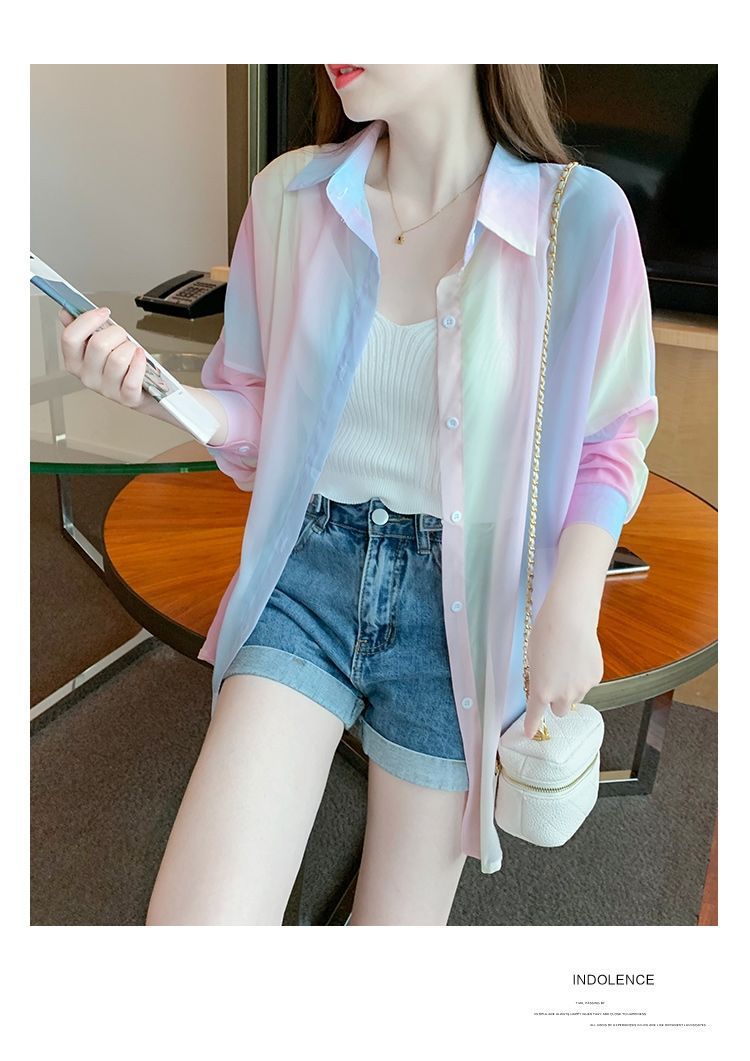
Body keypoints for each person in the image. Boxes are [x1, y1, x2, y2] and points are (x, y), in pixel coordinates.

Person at [57, 64, 659, 925]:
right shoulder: (289, 196)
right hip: (306, 575)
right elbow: (260, 409)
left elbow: (612, 437)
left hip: (462, 618)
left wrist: (573, 602)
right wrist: (161, 392)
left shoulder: (581, 216)